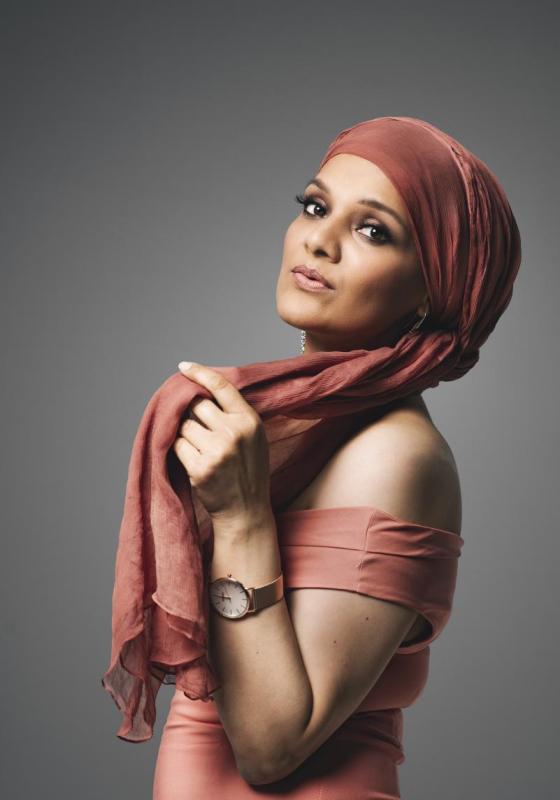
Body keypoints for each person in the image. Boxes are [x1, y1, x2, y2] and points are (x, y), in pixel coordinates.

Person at [148, 117, 520, 798]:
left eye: (373, 230)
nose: (319, 239)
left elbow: (270, 746)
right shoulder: (295, 425)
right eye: (316, 206)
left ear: (435, 290)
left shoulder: (397, 455)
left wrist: (241, 520)